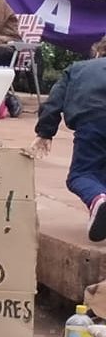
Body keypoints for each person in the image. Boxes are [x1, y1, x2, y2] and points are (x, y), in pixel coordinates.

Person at [33, 38, 106, 240]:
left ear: (98, 53)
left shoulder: (78, 69)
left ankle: (97, 198)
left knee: (81, 175)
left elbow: (55, 101)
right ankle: (99, 202)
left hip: (92, 123)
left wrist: (45, 132)